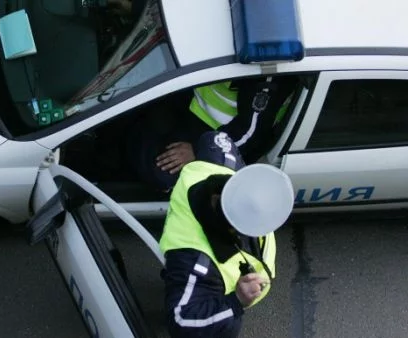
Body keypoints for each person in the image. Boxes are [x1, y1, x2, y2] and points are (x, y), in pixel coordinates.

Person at [159, 131, 295, 338]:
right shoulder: (197, 261)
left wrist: (192, 150)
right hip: (208, 285)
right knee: (226, 326)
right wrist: (235, 302)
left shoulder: (218, 167)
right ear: (234, 229)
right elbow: (181, 320)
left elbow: (214, 137)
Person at [126, 76, 298, 192]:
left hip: (221, 136)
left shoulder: (266, 71)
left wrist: (199, 151)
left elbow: (249, 132)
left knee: (160, 173)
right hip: (194, 108)